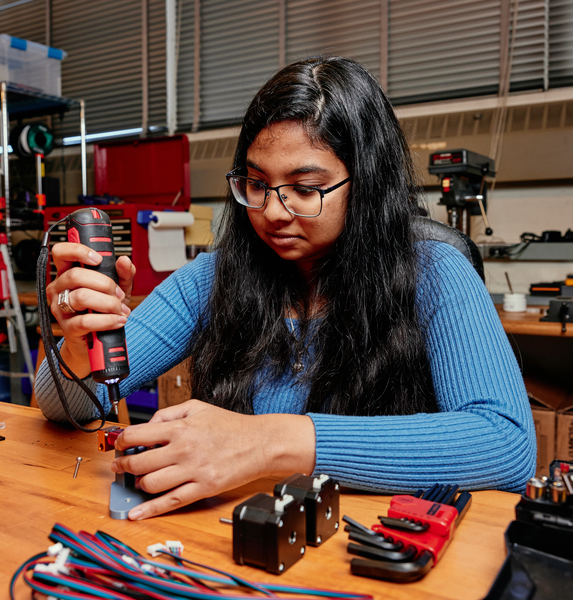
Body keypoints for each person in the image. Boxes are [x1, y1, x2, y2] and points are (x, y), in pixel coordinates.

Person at [35, 56, 535, 521]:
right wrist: (80, 349)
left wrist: (267, 442)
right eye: (256, 184)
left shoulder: (435, 273)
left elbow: (507, 446)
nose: (273, 212)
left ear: (366, 184)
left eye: (306, 188)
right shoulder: (214, 277)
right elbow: (60, 406)